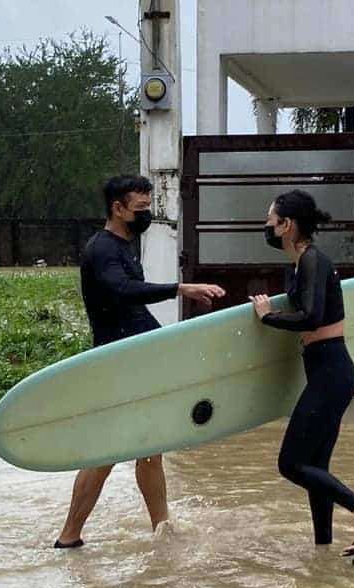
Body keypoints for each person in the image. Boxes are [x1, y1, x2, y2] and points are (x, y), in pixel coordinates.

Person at [55, 174, 226, 549]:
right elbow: (123, 292)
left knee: (151, 449)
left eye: (149, 207)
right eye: (141, 209)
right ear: (117, 208)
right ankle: (69, 536)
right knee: (106, 452)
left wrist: (167, 348)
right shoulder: (102, 249)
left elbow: (133, 316)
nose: (147, 215)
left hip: (137, 361)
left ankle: (161, 530)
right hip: (116, 365)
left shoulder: (125, 246)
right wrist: (180, 288)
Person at [249, 189, 354, 558]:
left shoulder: (314, 260)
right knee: (315, 467)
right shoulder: (299, 265)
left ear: (287, 225)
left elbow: (312, 316)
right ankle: (323, 551)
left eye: (269, 221)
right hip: (326, 371)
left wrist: (268, 317)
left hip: (331, 370)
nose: (265, 227)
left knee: (291, 463)